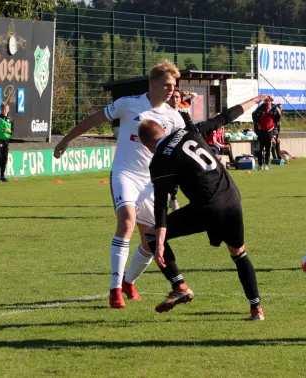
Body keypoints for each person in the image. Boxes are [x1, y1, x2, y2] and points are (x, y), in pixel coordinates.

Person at [53, 60, 186, 309]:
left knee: (150, 240)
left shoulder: (174, 118)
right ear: (154, 83)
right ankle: (114, 290)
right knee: (126, 221)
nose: (171, 90)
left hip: (151, 183)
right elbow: (95, 119)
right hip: (125, 174)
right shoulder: (128, 104)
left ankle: (128, 282)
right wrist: (67, 139)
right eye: (167, 85)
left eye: (174, 86)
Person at [138, 94, 271, 321]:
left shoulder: (159, 159)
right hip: (232, 199)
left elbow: (160, 205)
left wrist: (159, 243)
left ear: (146, 145)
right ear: (162, 128)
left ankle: (179, 285)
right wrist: (255, 100)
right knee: (239, 253)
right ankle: (256, 308)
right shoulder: (191, 131)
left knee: (151, 236)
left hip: (206, 208)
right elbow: (225, 117)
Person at [252, 98, 281, 170]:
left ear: (271, 101)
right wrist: (257, 126)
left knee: (268, 149)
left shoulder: (274, 110)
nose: (267, 102)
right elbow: (254, 115)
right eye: (266, 101)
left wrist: (275, 135)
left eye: (268, 101)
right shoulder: (261, 109)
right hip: (261, 131)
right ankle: (259, 165)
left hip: (270, 131)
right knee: (260, 149)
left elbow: (278, 119)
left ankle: (266, 164)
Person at [0, 103, 14, 182]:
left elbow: (12, 132)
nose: (4, 111)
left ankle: (2, 175)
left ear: (8, 110)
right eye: (2, 109)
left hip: (6, 140)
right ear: (0, 109)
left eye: (5, 109)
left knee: (5, 158)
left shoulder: (10, 119)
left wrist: (9, 131)